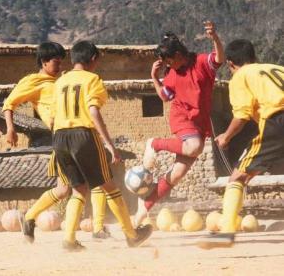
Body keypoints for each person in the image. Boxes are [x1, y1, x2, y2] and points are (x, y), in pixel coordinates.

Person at [2, 42, 109, 243]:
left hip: (72, 137)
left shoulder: (62, 80)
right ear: (43, 62)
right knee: (92, 182)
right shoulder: (32, 82)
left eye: (61, 62)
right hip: (63, 138)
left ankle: (31, 217)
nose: (59, 66)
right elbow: (9, 104)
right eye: (55, 62)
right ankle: (95, 229)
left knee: (68, 188)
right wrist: (10, 128)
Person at [51, 40, 153, 251]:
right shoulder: (93, 79)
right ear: (93, 59)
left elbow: (53, 116)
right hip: (83, 135)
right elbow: (94, 111)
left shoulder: (60, 81)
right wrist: (110, 145)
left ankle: (69, 240)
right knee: (109, 185)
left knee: (78, 189)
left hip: (59, 136)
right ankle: (132, 235)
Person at [134, 21, 225, 226]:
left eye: (168, 62)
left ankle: (142, 209)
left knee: (176, 175)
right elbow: (165, 96)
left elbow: (220, 58)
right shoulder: (172, 74)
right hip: (182, 119)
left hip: (199, 124)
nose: (167, 66)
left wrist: (215, 38)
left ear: (177, 55)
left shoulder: (202, 63)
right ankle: (155, 143)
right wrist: (154, 78)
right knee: (194, 147)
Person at [198, 39, 284, 248]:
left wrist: (226, 137)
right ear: (254, 56)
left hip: (277, 120)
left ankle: (227, 232)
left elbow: (242, 116)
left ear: (230, 63)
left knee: (238, 176)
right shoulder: (277, 68)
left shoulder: (241, 76)